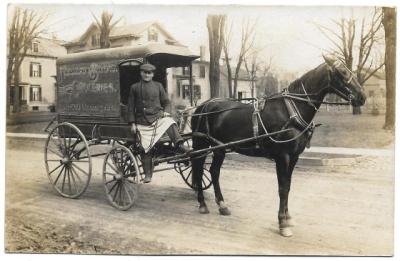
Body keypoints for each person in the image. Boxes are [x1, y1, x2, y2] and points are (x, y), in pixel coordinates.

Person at [127, 63, 190, 183]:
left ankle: (179, 144)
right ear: (141, 73)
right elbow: (130, 107)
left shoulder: (158, 86)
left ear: (153, 74)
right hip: (143, 121)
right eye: (144, 72)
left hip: (157, 118)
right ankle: (148, 175)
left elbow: (166, 102)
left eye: (149, 73)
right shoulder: (134, 87)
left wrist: (166, 112)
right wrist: (132, 123)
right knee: (145, 147)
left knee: (170, 121)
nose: (146, 75)